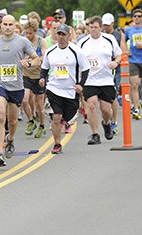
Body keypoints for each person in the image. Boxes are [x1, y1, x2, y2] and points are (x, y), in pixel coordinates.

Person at [0, 15, 39, 166]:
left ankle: (10, 139)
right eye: (5, 24)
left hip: (16, 86)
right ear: (1, 26)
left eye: (11, 24)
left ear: (14, 26)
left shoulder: (22, 41)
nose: (8, 27)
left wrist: (28, 63)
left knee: (12, 120)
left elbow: (37, 59)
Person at [40, 24, 90, 154]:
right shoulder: (50, 51)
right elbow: (44, 68)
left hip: (70, 90)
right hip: (54, 88)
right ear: (56, 35)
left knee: (69, 115)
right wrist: (42, 78)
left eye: (64, 34)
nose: (61, 37)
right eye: (59, 34)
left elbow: (85, 69)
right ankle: (57, 144)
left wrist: (81, 85)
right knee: (56, 117)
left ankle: (63, 122)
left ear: (69, 35)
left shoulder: (76, 51)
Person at [78, 16, 122, 145]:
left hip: (106, 80)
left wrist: (115, 62)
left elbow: (119, 54)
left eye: (96, 27)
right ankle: (95, 134)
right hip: (90, 80)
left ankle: (106, 123)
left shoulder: (109, 39)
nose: (93, 30)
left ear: (101, 27)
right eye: (91, 27)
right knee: (91, 105)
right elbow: (77, 60)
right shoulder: (83, 42)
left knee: (106, 110)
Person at [124, 8, 142, 119]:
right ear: (133, 17)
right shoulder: (129, 30)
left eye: (139, 16)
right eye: (135, 16)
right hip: (133, 60)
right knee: (134, 85)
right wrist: (126, 50)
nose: (137, 18)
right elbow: (123, 41)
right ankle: (136, 109)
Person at [101, 13, 126, 135]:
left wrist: (117, 60)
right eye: (104, 25)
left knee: (113, 97)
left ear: (112, 24)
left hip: (115, 68)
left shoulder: (118, 35)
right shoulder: (99, 36)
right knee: (104, 99)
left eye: (107, 25)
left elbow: (124, 52)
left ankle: (113, 122)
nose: (105, 27)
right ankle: (107, 119)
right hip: (102, 70)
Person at [22, 21, 47, 138]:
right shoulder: (23, 41)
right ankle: (31, 120)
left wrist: (33, 60)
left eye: (30, 33)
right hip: (26, 74)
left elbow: (44, 56)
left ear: (35, 32)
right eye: (26, 33)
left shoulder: (41, 41)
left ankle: (42, 125)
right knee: (24, 100)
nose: (28, 35)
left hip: (38, 75)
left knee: (39, 104)